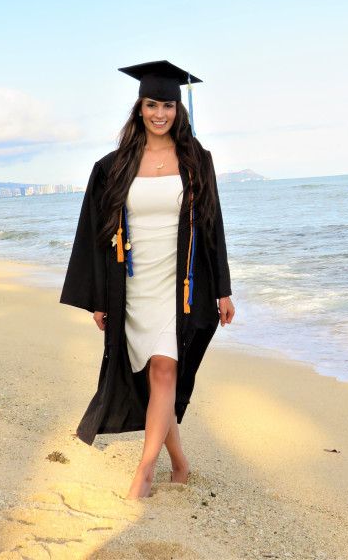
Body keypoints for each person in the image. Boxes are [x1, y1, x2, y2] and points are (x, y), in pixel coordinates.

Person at [60, 60, 234, 499]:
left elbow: (213, 228)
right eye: (152, 104)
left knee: (163, 369)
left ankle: (144, 472)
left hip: (183, 286)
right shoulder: (113, 166)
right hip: (133, 287)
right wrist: (98, 298)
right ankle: (179, 463)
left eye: (168, 105)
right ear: (139, 108)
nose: (161, 113)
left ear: (179, 109)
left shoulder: (198, 160)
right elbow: (94, 236)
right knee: (160, 377)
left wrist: (224, 290)